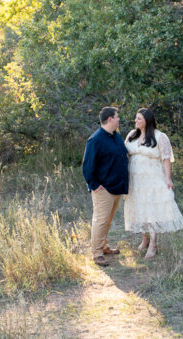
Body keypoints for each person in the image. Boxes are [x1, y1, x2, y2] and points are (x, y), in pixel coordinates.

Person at [123, 107, 183, 258]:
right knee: (139, 208)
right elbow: (123, 152)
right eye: (136, 118)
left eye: (139, 118)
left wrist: (168, 178)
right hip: (135, 180)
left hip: (152, 178)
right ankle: (144, 239)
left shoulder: (160, 136)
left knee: (151, 209)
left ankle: (153, 243)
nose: (136, 121)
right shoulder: (132, 135)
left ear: (147, 120)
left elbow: (166, 158)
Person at [81, 106, 129, 266]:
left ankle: (104, 246)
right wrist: (94, 185)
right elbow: (87, 166)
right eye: (117, 117)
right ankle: (96, 253)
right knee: (100, 220)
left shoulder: (116, 136)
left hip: (117, 186)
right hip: (103, 188)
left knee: (108, 220)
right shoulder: (95, 140)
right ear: (110, 119)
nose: (119, 120)